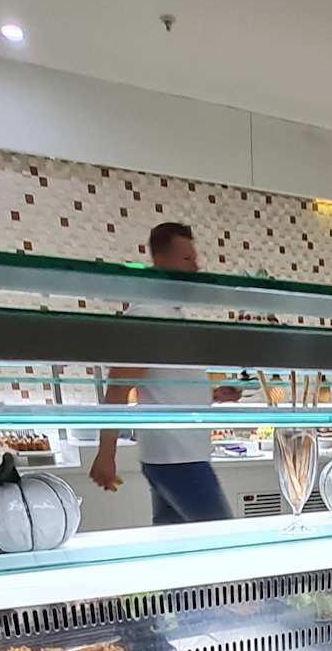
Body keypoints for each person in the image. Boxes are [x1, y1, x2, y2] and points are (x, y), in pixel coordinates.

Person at [89, 222, 242, 524]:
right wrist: (106, 452)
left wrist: (213, 395)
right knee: (222, 540)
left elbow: (164, 384)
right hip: (177, 457)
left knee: (175, 540)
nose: (196, 267)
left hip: (179, 455)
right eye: (187, 259)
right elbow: (118, 387)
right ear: (160, 260)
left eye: (194, 258)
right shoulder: (148, 315)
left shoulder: (171, 313)